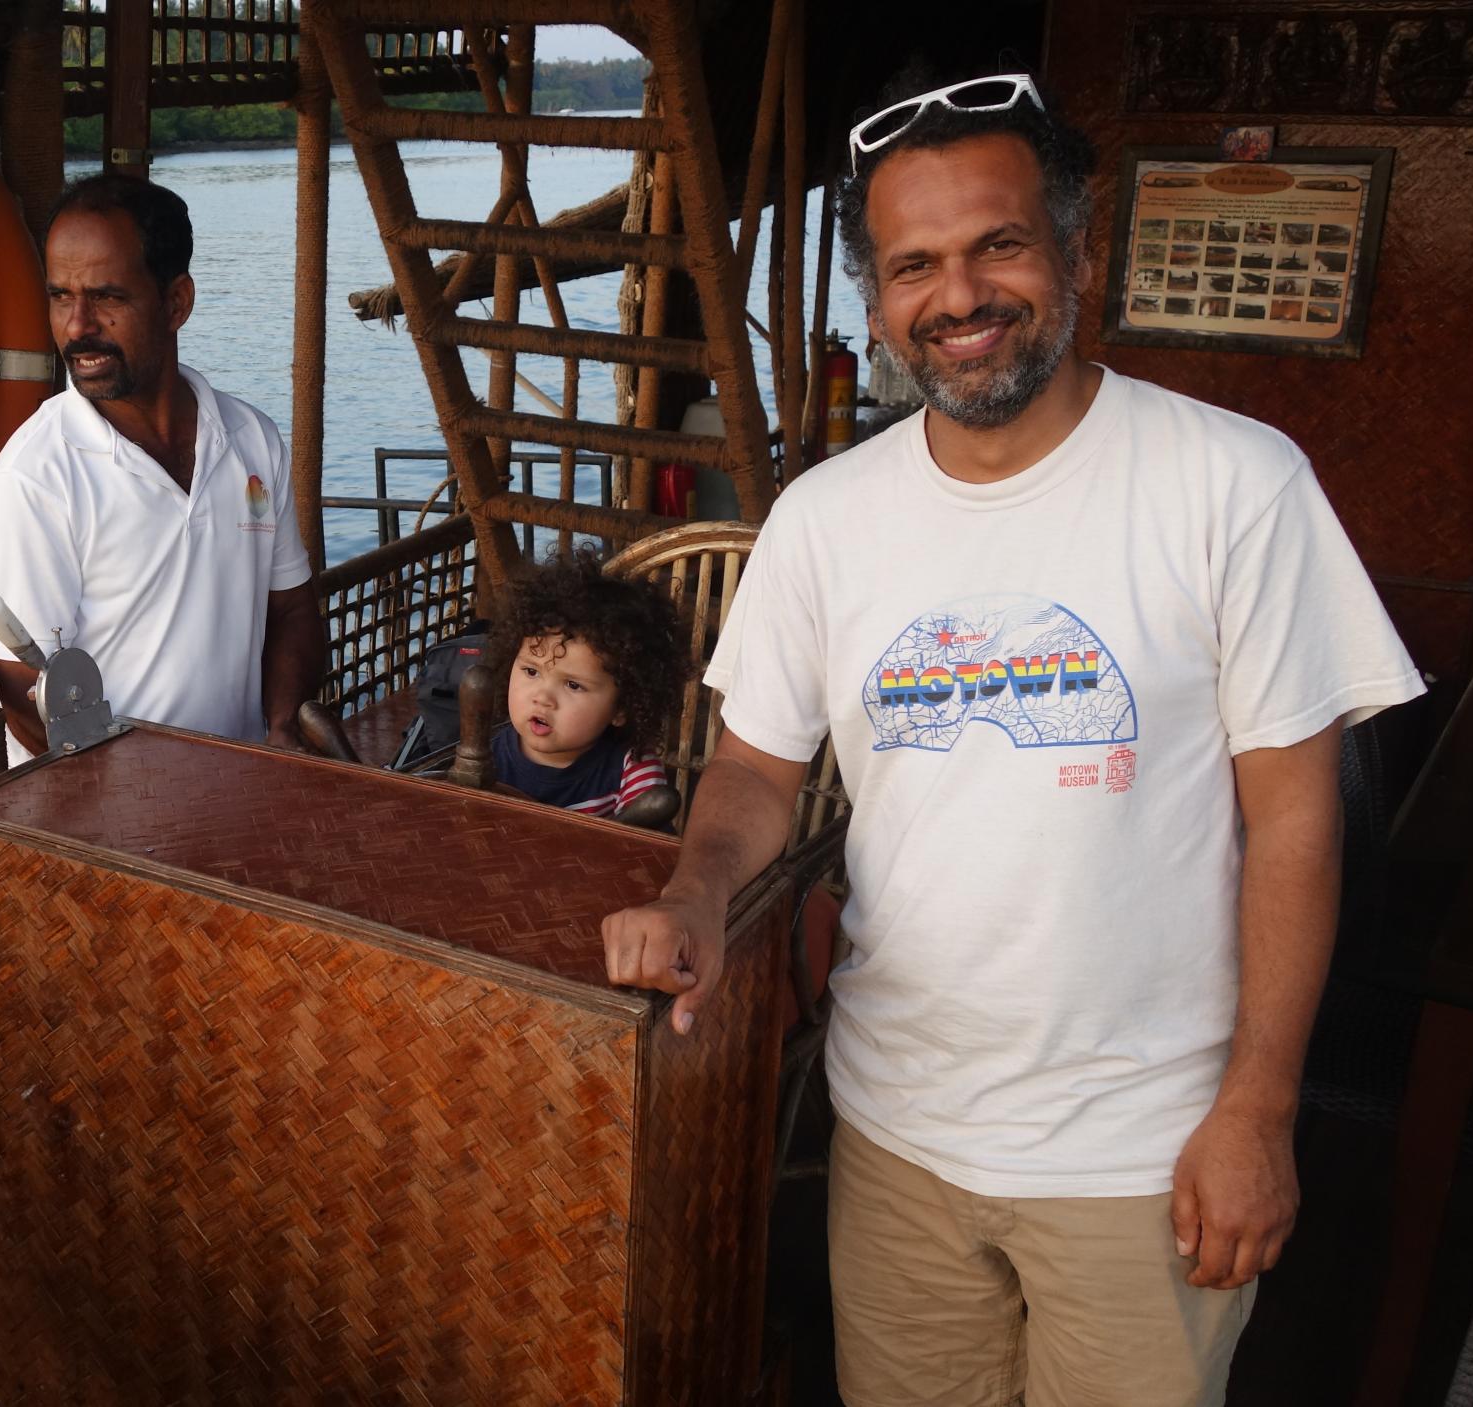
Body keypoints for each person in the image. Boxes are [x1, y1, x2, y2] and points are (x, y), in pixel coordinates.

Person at [599, 72, 1422, 1405]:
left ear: (1077, 253)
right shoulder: (826, 516)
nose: (961, 295)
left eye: (999, 245)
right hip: (896, 1133)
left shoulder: (1234, 481)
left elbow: (1297, 812)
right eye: (916, 265)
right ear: (877, 305)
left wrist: (1261, 1110)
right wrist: (695, 883)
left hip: (1145, 1154)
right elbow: (757, 768)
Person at [0, 174, 326, 763]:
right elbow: (24, 699)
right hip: (94, 823)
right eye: (61, 295)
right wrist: (143, 811)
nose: (77, 326)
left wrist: (282, 731)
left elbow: (291, 609)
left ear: (176, 303)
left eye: (107, 296)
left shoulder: (251, 442)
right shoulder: (34, 481)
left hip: (241, 790)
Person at [483, 546, 680, 819]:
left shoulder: (633, 774)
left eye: (573, 685)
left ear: (622, 707)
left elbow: (644, 851)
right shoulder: (483, 755)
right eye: (531, 671)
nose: (542, 697)